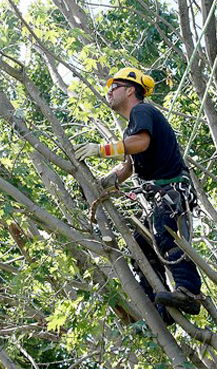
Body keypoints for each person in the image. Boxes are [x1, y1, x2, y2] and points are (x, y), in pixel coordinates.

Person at [75, 66, 202, 324]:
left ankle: (188, 291)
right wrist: (107, 181)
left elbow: (142, 143)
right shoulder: (130, 128)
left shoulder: (143, 111)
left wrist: (101, 149)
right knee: (141, 245)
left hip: (171, 192)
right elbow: (130, 166)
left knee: (167, 237)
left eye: (114, 87)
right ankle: (159, 303)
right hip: (158, 198)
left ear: (131, 90)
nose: (109, 92)